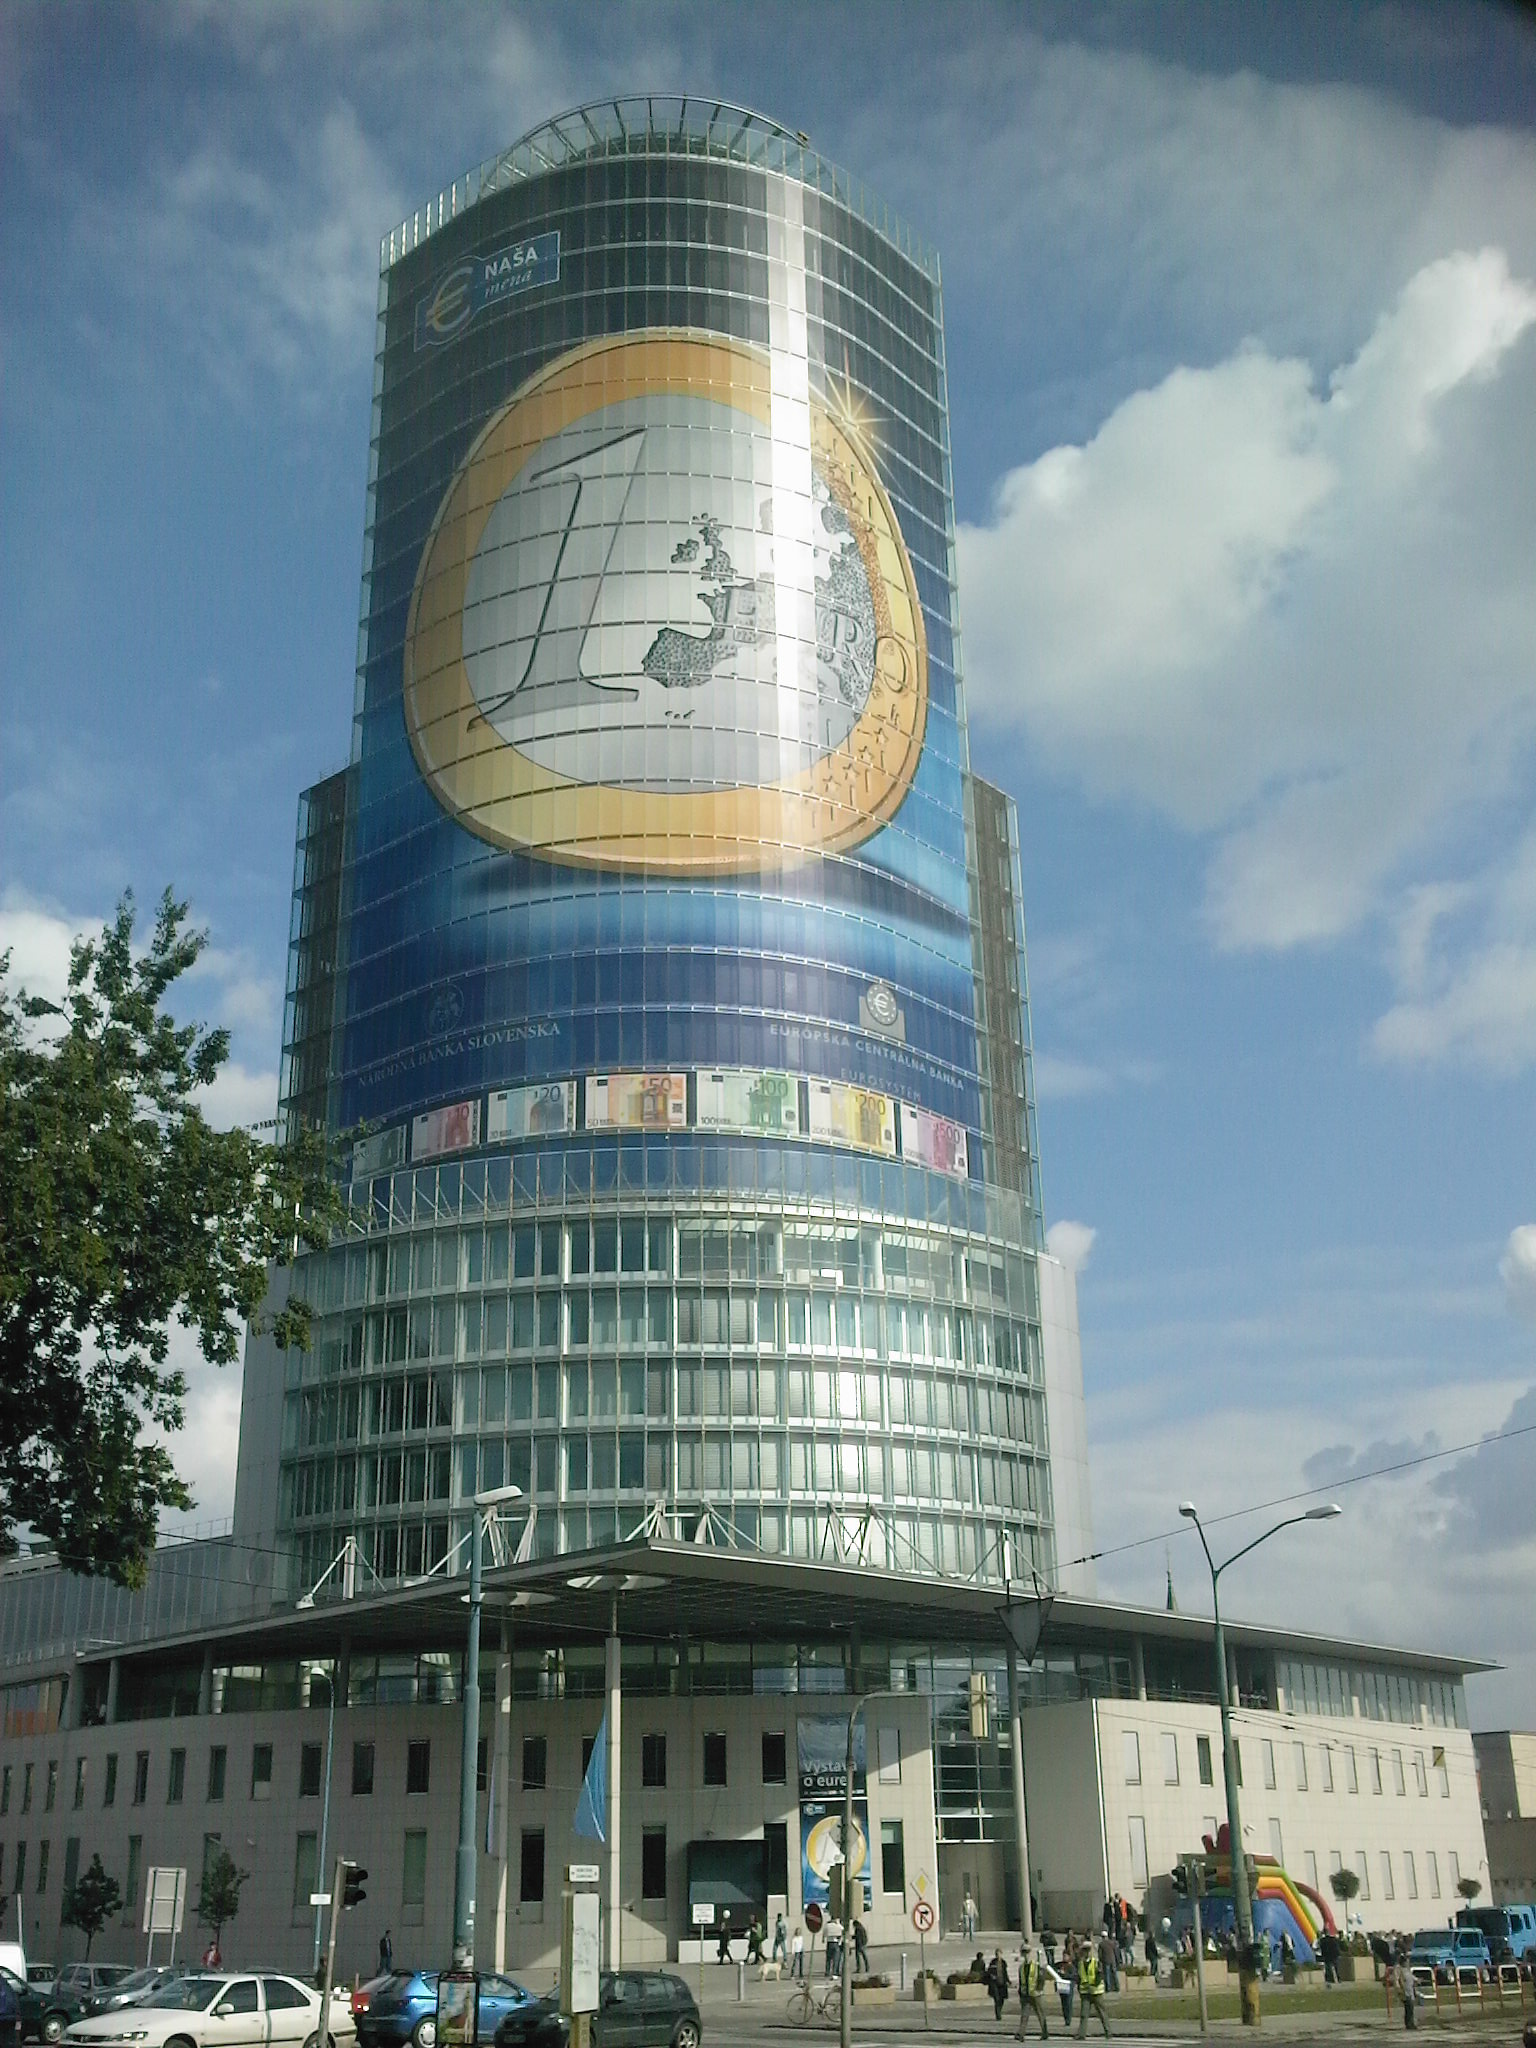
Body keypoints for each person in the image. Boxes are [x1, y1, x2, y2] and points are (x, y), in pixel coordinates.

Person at [1076, 1941, 1111, 2038]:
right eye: (1084, 1950)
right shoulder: (1080, 1964)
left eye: (1087, 1950)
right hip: (1085, 1992)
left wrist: (1093, 1984)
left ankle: (1108, 2032)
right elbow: (1079, 1977)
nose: (1086, 1953)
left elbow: (1100, 1975)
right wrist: (1079, 1987)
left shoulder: (1096, 1962)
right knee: (1083, 2014)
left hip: (1096, 1992)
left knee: (1102, 2013)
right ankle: (1081, 2034)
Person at [1017, 1945, 1052, 2040]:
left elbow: (1041, 1978)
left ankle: (1045, 2032)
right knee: (1024, 2015)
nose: (1026, 1955)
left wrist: (1039, 1989)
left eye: (1027, 1952)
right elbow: (1021, 1981)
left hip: (1036, 1994)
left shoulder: (1036, 1966)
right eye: (1024, 1953)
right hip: (1026, 1994)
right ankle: (1021, 2034)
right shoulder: (1021, 1967)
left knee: (1040, 2014)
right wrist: (1020, 1993)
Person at [1394, 1950, 1419, 2031]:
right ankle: (1409, 2024)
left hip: (1410, 1990)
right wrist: (1398, 1988)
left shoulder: (1407, 1969)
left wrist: (1417, 1980)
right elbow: (1396, 1979)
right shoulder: (1399, 1969)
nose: (1407, 1962)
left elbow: (1412, 1977)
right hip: (1404, 1991)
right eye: (1406, 1961)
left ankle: (1410, 2023)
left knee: (1411, 2008)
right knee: (1409, 2007)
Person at [988, 1949, 1011, 2022]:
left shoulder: (1003, 1962)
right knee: (997, 1999)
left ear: (1001, 1954)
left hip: (1002, 1983)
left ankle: (999, 2011)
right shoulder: (993, 1962)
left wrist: (1008, 1981)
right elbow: (989, 1971)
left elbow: (1005, 1972)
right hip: (995, 1983)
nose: (998, 1956)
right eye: (996, 1954)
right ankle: (998, 2015)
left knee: (1002, 1999)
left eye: (999, 1954)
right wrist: (992, 1976)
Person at [1097, 1927, 1118, 1994]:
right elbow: (1115, 1951)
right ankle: (1117, 1987)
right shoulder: (1111, 1943)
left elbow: (1100, 1954)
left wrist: (1100, 1960)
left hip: (1106, 1961)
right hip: (1112, 1960)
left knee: (1107, 1974)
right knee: (1114, 1974)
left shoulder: (1101, 1944)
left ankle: (1108, 1988)